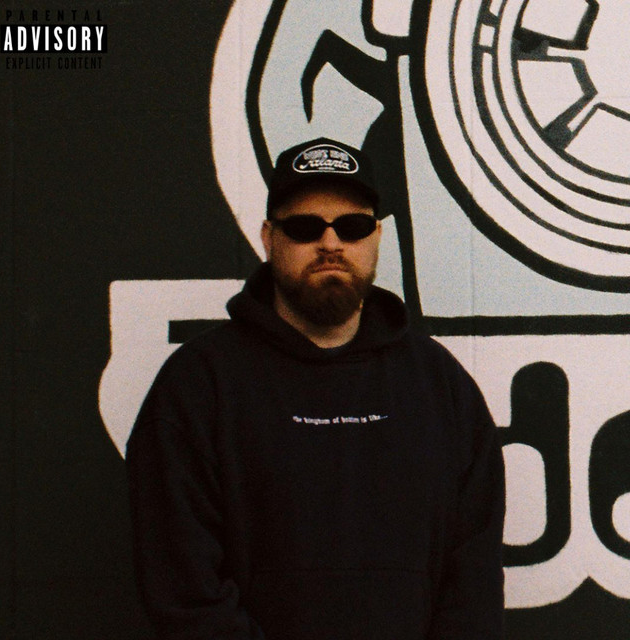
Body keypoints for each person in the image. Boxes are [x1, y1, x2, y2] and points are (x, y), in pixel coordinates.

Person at [126, 138, 505, 640]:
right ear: (269, 238)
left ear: (376, 236)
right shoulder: (197, 386)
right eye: (305, 227)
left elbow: (474, 587)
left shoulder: (441, 386)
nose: (331, 243)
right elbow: (185, 588)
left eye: (352, 226)